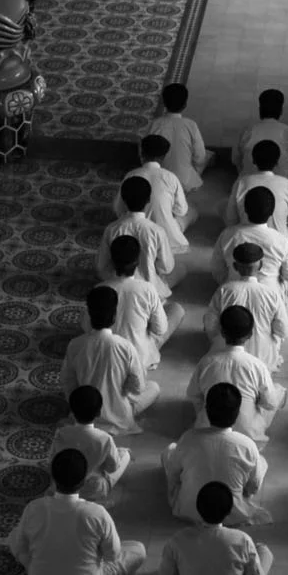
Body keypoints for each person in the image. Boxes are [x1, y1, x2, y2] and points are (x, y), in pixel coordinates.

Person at [8, 448, 145, 575]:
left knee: (14, 535)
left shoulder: (34, 508)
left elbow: (21, 545)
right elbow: (112, 555)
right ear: (84, 481)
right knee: (138, 550)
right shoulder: (97, 513)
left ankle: (42, 571)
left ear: (53, 478)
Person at [164, 383, 268, 526]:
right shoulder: (247, 445)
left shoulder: (189, 438)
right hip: (232, 513)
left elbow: (174, 475)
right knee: (261, 462)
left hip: (188, 510)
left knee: (170, 450)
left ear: (206, 410)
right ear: (237, 414)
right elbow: (253, 486)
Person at [58, 285, 158, 435]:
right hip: (119, 417)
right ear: (114, 316)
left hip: (86, 414)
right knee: (154, 387)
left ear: (89, 316)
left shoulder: (75, 345)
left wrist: (80, 407)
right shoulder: (126, 347)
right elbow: (138, 387)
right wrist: (122, 393)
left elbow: (67, 381)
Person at [186, 307, 285, 443]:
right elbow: (270, 403)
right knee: (279, 392)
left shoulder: (206, 362)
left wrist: (205, 412)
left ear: (221, 331)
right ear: (250, 334)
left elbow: (193, 395)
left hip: (207, 432)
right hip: (249, 439)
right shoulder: (257, 366)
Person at [204, 241, 288, 366]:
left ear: (235, 266)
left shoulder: (224, 290)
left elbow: (210, 326)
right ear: (260, 266)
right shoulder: (272, 294)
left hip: (226, 355)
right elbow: (283, 330)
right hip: (264, 359)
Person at [95, 176, 175, 298]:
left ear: (123, 200)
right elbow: (166, 267)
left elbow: (102, 266)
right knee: (181, 270)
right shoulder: (157, 231)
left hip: (116, 288)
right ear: (149, 200)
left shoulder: (111, 229)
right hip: (149, 289)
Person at [50, 386, 131, 502]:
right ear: (98, 412)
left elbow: (52, 460)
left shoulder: (61, 433)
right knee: (125, 454)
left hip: (62, 487)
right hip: (93, 490)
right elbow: (112, 468)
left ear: (72, 412)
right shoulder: (104, 438)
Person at [210, 188, 288, 293]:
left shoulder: (227, 235)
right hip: (271, 295)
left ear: (245, 210)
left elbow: (217, 270)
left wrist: (228, 286)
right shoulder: (282, 241)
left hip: (234, 294)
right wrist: (279, 291)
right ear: (271, 213)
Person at [105, 234, 173, 369]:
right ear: (138, 262)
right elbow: (160, 329)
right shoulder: (147, 289)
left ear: (111, 262)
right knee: (176, 310)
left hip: (107, 357)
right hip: (139, 359)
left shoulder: (100, 289)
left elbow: (88, 326)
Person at [116, 133, 192, 253]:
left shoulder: (130, 176)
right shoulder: (170, 177)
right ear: (163, 157)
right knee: (191, 212)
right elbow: (181, 210)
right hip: (167, 240)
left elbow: (119, 210)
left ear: (141, 153)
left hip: (133, 238)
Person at [225, 140, 288, 238]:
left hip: (245, 237)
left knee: (222, 205)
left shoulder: (241, 183)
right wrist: (285, 237)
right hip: (279, 239)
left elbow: (231, 218)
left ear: (253, 160)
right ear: (277, 162)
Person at [144, 82, 209, 194]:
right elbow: (200, 157)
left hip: (158, 180)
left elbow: (144, 151)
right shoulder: (191, 125)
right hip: (185, 182)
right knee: (208, 155)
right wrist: (195, 172)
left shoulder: (155, 124)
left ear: (164, 103)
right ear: (185, 105)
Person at [232, 89, 288, 183]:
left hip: (247, 183)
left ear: (260, 109)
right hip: (283, 184)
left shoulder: (247, 131)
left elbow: (235, 159)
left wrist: (244, 174)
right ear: (281, 110)